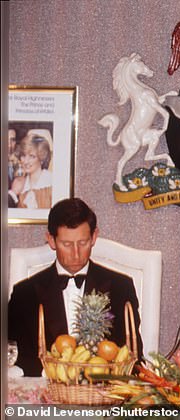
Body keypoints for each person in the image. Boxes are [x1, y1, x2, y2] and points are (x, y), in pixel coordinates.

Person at [8, 198, 143, 376]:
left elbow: (134, 354)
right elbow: (13, 354)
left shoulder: (120, 287)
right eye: (67, 244)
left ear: (94, 237)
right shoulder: (25, 293)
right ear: (51, 240)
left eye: (83, 243)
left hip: (104, 395)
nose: (76, 254)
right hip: (44, 394)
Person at [9, 129, 53, 209]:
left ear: (42, 158)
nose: (26, 161)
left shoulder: (51, 181)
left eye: (32, 156)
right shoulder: (20, 185)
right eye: (23, 155)